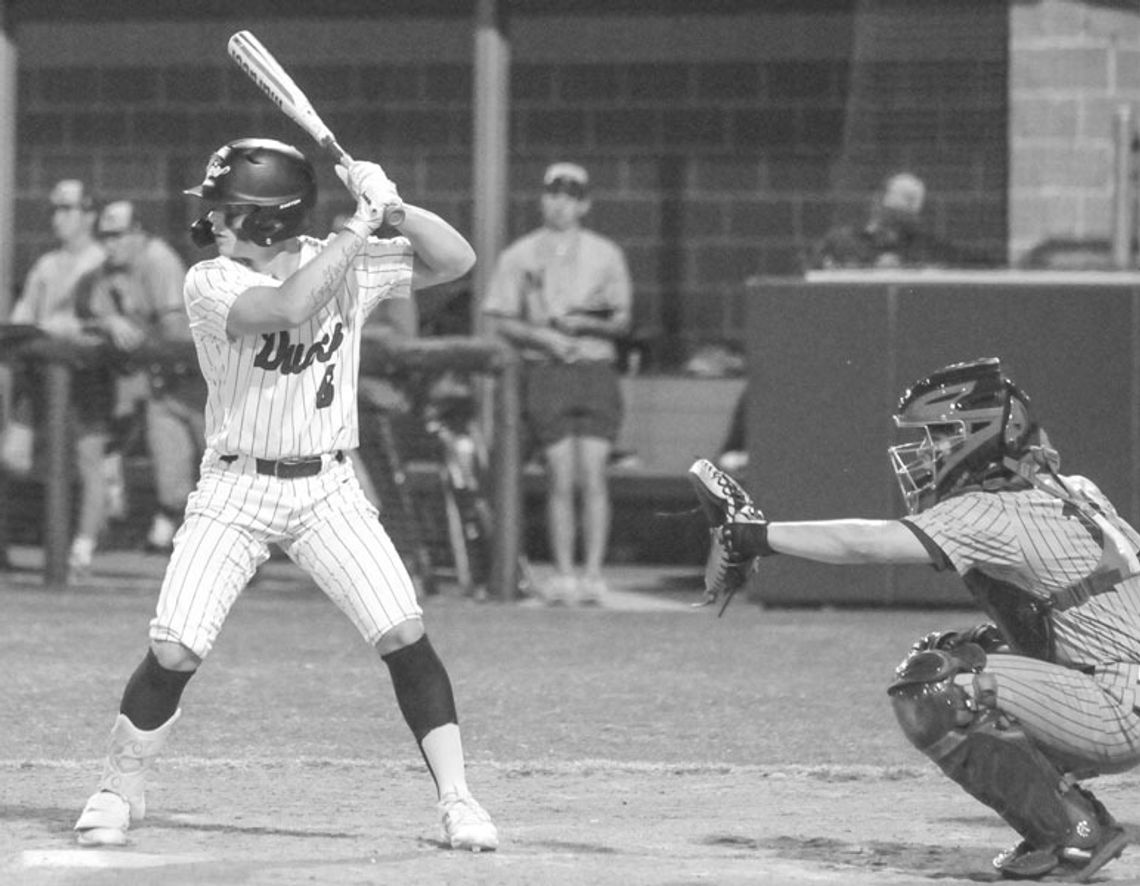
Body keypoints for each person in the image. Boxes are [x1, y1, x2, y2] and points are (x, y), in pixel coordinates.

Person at [72, 137, 498, 852]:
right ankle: (119, 787)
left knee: (403, 633)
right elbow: (288, 305)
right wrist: (359, 227)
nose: (212, 221)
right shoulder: (209, 280)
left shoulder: (351, 262)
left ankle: (457, 799)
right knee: (175, 647)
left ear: (268, 218)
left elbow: (456, 261)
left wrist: (395, 206)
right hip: (235, 488)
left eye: (228, 210)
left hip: (328, 486)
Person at [687, 357, 1137, 882]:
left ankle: (1073, 836)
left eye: (943, 434)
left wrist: (755, 535)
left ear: (981, 434)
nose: (929, 450)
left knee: (935, 686)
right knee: (969, 648)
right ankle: (1074, 819)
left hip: (1116, 706)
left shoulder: (992, 508)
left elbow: (868, 541)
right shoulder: (1074, 488)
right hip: (1120, 687)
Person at [483, 162, 632, 606]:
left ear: (584, 203)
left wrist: (585, 322)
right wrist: (544, 336)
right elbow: (499, 317)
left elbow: (622, 318)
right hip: (548, 372)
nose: (560, 203)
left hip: (594, 370)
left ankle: (593, 573)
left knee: (594, 474)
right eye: (552, 193)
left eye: (570, 195)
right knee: (560, 476)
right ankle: (564, 573)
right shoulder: (520, 256)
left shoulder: (606, 255)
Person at [76, 199, 206, 553]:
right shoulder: (106, 273)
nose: (109, 243)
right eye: (104, 236)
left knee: (225, 473)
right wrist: (109, 321)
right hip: (161, 385)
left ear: (138, 233)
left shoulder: (157, 259)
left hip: (203, 382)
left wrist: (129, 329)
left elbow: (175, 331)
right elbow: (88, 319)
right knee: (170, 480)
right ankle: (166, 533)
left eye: (117, 235)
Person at [8, 179, 110, 577]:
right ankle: (39, 539)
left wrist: (62, 326)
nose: (59, 218)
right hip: (41, 376)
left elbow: (101, 321)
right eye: (56, 210)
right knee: (15, 457)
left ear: (89, 215)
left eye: (69, 210)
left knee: (90, 462)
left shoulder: (101, 260)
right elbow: (23, 318)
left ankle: (80, 552)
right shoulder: (46, 265)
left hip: (88, 375)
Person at [809, 172, 993, 270]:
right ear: (877, 204)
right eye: (891, 217)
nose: (894, 229)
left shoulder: (926, 247)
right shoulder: (841, 242)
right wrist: (871, 266)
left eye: (905, 221)